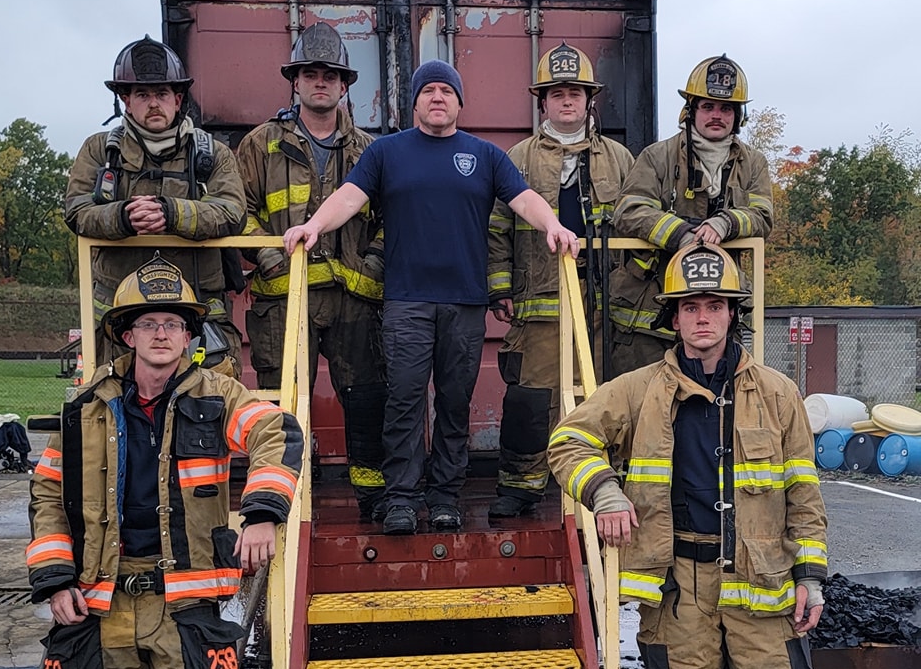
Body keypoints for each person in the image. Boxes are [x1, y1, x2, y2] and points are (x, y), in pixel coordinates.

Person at [547, 242, 827, 669]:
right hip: (679, 591)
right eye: (691, 306)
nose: (704, 318)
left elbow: (803, 493)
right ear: (672, 318)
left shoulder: (780, 394)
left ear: (733, 314)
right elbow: (567, 441)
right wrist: (606, 493)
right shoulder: (639, 390)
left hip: (765, 591)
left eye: (716, 306)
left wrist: (812, 573)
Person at [26, 257, 303, 669]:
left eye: (173, 323)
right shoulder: (84, 410)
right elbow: (48, 491)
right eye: (148, 322)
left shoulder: (219, 395)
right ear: (127, 334)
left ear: (188, 335)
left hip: (185, 607)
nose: (161, 334)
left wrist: (261, 513)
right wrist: (54, 579)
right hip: (105, 605)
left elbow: (278, 432)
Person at [284, 59, 579, 535]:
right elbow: (349, 197)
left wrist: (555, 226)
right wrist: (313, 226)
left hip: (464, 303)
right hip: (406, 302)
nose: (437, 98)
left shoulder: (485, 155)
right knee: (404, 400)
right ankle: (401, 498)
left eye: (446, 91)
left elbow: (524, 198)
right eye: (429, 91)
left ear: (460, 103)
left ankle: (444, 497)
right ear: (416, 102)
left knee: (455, 402)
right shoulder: (387, 153)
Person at [236, 22, 387, 521]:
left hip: (353, 296)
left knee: (366, 397)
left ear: (344, 85)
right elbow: (240, 208)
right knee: (284, 398)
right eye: (310, 73)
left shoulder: (371, 150)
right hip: (284, 296)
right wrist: (268, 256)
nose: (320, 82)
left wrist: (372, 264)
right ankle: (289, 495)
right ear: (295, 82)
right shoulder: (260, 145)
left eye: (330, 75)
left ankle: (372, 496)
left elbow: (392, 221)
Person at [487, 42, 635, 519]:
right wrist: (500, 286)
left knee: (605, 396)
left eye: (575, 92)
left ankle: (602, 486)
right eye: (556, 93)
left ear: (590, 99)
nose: (566, 100)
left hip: (605, 305)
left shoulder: (619, 159)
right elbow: (497, 226)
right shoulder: (520, 157)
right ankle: (523, 486)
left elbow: (635, 223)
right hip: (540, 301)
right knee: (532, 398)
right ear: (542, 101)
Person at [64, 36, 247, 376]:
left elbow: (233, 212)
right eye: (142, 95)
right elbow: (76, 211)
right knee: (114, 408)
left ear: (178, 100)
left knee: (204, 410)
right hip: (119, 319)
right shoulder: (99, 151)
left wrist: (172, 213)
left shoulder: (213, 155)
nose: (153, 104)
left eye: (162, 94)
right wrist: (122, 217)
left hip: (195, 317)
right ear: (125, 101)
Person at [610, 55, 773, 376]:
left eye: (726, 109)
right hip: (648, 312)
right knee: (645, 407)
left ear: (738, 117)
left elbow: (763, 215)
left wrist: (725, 223)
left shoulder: (753, 164)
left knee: (715, 407)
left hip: (717, 313)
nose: (717, 115)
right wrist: (681, 236)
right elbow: (628, 210)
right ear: (690, 111)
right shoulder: (657, 157)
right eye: (708, 107)